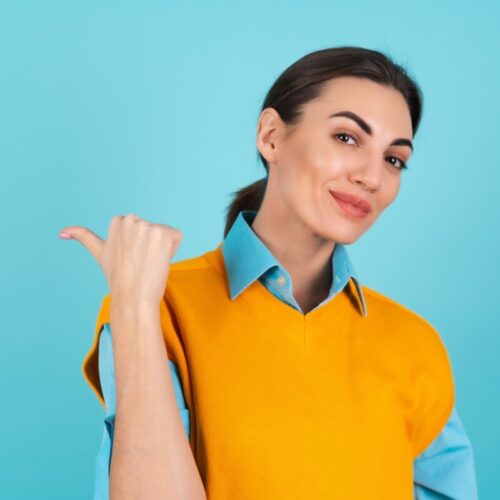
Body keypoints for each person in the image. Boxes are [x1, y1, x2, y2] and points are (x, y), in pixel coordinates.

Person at [61, 46, 478, 499]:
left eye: (393, 159)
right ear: (271, 136)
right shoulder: (159, 308)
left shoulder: (415, 346)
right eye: (346, 137)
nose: (372, 176)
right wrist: (134, 307)